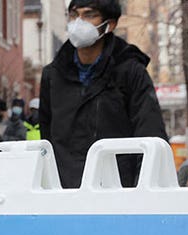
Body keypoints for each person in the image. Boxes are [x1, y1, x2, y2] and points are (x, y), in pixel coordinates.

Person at [38, 0, 168, 188]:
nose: (78, 22)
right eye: (74, 15)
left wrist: (143, 191)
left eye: (89, 15)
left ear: (110, 24)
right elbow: (47, 137)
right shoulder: (53, 75)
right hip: (66, 192)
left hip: (118, 190)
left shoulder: (130, 72)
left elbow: (150, 133)